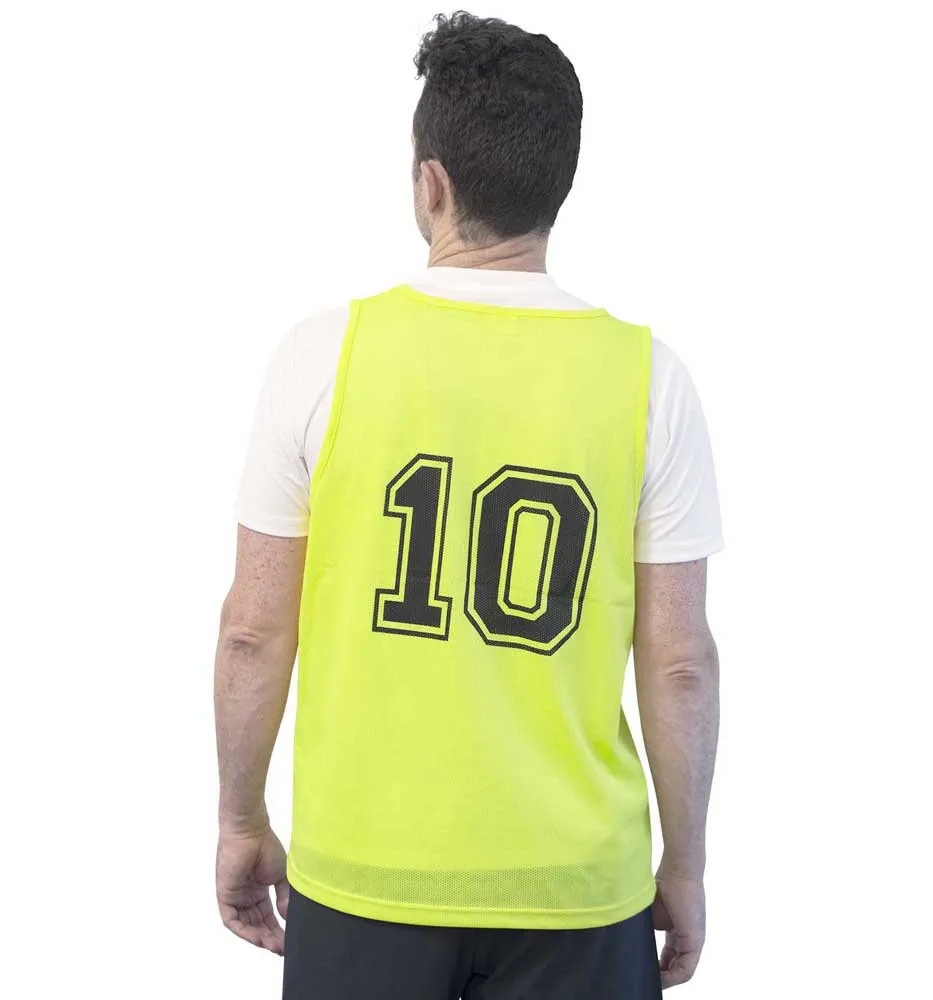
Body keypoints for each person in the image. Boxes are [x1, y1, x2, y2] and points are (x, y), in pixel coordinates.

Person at [214, 12, 722, 999]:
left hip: (364, 876)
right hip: (576, 889)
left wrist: (241, 819)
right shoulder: (649, 379)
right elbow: (679, 663)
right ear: (558, 185)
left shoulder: (322, 356)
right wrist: (687, 864)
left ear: (430, 183)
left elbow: (252, 631)